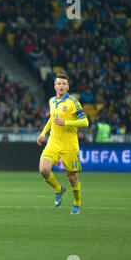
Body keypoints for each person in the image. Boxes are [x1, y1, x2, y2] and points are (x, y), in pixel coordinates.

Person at [37, 73, 89, 215]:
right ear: (54, 86)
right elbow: (52, 119)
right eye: (58, 83)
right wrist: (43, 133)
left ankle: (77, 203)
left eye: (64, 84)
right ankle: (59, 189)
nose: (61, 86)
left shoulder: (73, 103)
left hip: (69, 146)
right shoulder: (52, 101)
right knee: (43, 170)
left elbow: (85, 122)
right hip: (53, 143)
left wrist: (66, 122)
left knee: (72, 177)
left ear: (67, 87)